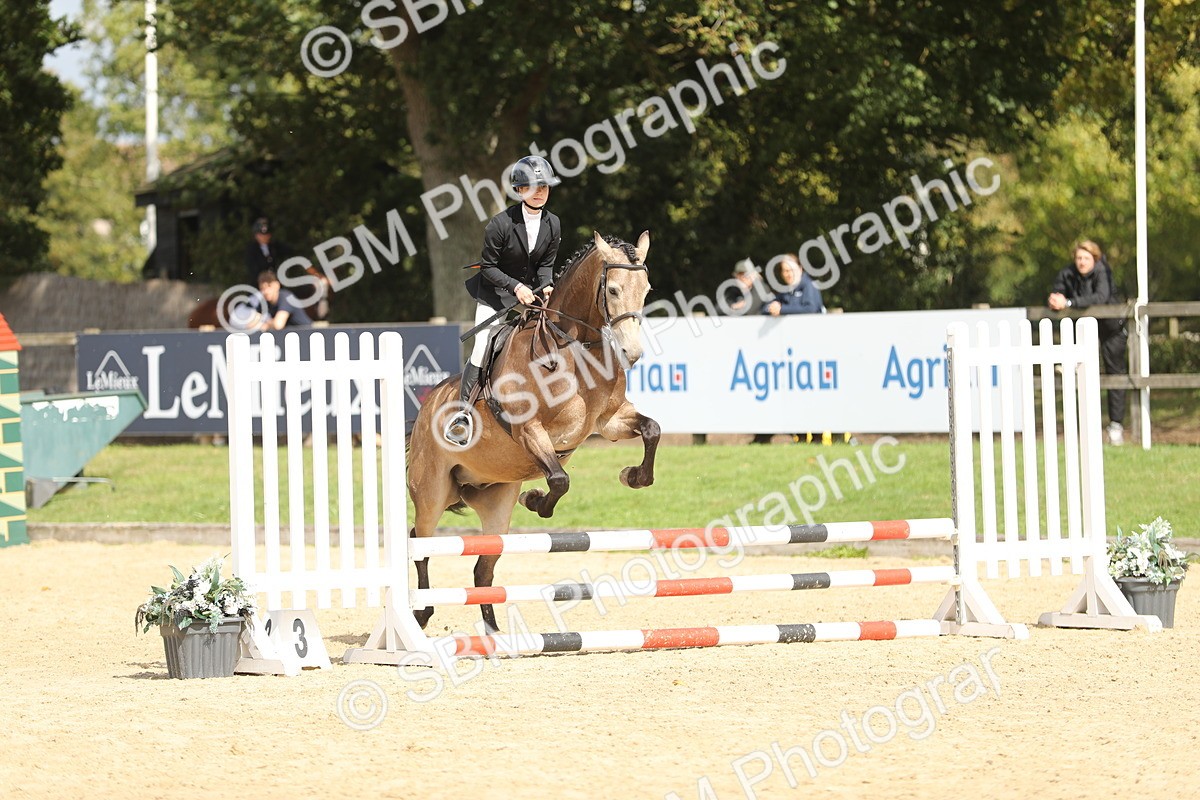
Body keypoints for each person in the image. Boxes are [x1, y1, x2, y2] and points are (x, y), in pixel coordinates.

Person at [444, 155, 563, 445]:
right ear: (520, 190)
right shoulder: (499, 224)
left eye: (544, 187)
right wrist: (516, 288)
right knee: (483, 343)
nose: (540, 192)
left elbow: (546, 266)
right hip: (496, 294)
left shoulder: (554, 224)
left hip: (532, 296)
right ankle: (463, 414)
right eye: (534, 187)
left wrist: (545, 286)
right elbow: (489, 268)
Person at [1048, 239, 1127, 445]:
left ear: (1095, 259)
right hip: (1083, 331)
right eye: (1078, 258)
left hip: (1111, 329)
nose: (1082, 262)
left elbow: (1100, 297)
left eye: (1086, 258)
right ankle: (1081, 426)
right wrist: (1055, 299)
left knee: (1115, 375)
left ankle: (1115, 426)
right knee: (1080, 375)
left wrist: (1070, 303)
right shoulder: (1068, 273)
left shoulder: (1103, 272)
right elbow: (1057, 292)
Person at [244, 218, 289, 285]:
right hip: (258, 286)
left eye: (266, 235)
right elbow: (253, 270)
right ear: (256, 236)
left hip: (275, 284)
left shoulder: (274, 246)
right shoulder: (251, 250)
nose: (264, 237)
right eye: (261, 235)